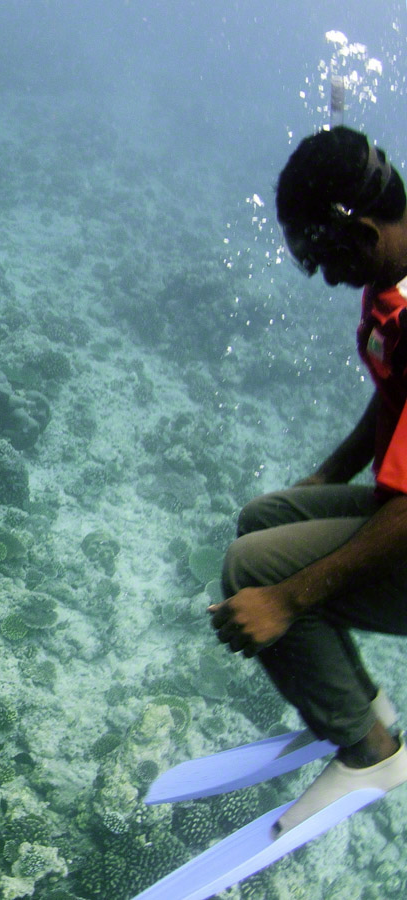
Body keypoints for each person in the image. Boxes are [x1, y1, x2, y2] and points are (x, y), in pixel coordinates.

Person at [209, 125, 407, 836]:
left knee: (250, 567)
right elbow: (395, 390)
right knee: (267, 518)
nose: (323, 276)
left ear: (357, 229)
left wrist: (286, 601)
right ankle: (364, 704)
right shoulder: (392, 277)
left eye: (321, 256)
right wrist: (328, 476)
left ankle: (370, 752)